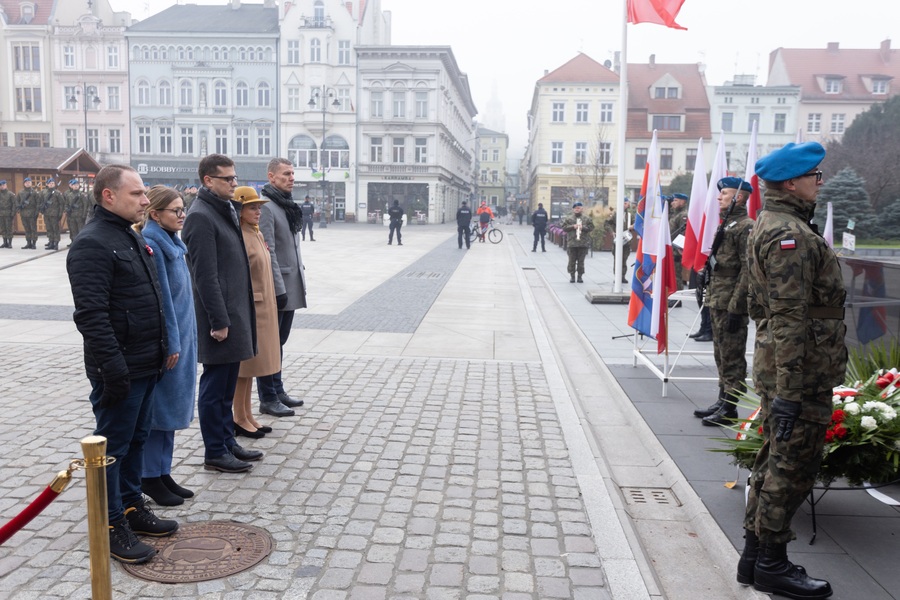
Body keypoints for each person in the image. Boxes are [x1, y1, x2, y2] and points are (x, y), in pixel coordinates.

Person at [736, 142, 844, 599]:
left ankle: (753, 556)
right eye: (813, 176)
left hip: (784, 367)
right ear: (790, 183)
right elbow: (789, 315)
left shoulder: (776, 223)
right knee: (792, 467)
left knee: (772, 460)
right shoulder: (790, 236)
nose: (818, 182)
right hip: (798, 372)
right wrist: (791, 390)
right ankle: (773, 565)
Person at [66, 164, 177, 564]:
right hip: (120, 369)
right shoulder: (93, 244)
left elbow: (151, 299)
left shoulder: (129, 238)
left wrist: (163, 348)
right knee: (110, 449)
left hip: (147, 364)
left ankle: (132, 507)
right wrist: (113, 370)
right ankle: (110, 524)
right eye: (137, 194)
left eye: (145, 193)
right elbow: (91, 315)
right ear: (109, 196)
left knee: (136, 441)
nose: (146, 201)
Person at [182, 154, 262, 474]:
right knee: (214, 387)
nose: (234, 183)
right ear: (208, 181)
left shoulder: (224, 208)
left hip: (234, 312)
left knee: (228, 385)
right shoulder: (200, 216)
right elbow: (204, 276)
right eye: (227, 179)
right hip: (220, 318)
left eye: (234, 177)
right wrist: (218, 321)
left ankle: (227, 440)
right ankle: (214, 450)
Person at [134, 186, 197, 507]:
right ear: (155, 214)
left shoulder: (172, 241)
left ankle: (163, 471)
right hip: (170, 343)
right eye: (176, 210)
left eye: (183, 208)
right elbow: (162, 303)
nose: (182, 214)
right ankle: (148, 476)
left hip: (184, 338)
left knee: (172, 411)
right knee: (159, 413)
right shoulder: (153, 246)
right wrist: (171, 342)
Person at [695, 177, 753, 427]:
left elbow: (748, 270)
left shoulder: (745, 227)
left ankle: (730, 408)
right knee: (721, 352)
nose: (719, 197)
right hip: (719, 298)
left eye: (725, 193)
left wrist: (736, 306)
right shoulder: (729, 224)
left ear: (739, 198)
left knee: (732, 355)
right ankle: (722, 399)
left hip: (731, 302)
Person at [258, 158, 308, 416]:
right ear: (271, 177)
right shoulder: (267, 207)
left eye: (292, 173)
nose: (291, 178)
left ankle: (277, 389)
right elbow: (269, 251)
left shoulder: (286, 206)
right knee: (270, 343)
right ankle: (267, 397)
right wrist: (278, 289)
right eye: (286, 174)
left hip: (291, 282)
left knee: (280, 341)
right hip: (278, 287)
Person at [233, 186, 283, 438]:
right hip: (253, 307)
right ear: (239, 210)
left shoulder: (254, 232)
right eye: (252, 207)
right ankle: (239, 417)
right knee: (245, 367)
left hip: (265, 307)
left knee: (253, 367)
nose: (258, 211)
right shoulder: (239, 234)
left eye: (259, 207)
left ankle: (247, 413)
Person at [561, 201, 594, 283]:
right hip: (572, 243)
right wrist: (573, 226)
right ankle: (572, 276)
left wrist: (583, 227)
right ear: (573, 209)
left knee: (581, 262)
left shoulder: (587, 219)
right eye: (575, 208)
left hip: (583, 243)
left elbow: (591, 228)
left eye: (578, 208)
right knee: (571, 261)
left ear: (582, 209)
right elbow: (564, 228)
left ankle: (580, 276)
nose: (577, 209)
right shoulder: (569, 219)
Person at [607, 200, 634, 283]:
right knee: (617, 259)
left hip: (626, 241)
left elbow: (637, 223)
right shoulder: (616, 214)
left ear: (628, 204)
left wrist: (633, 226)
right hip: (617, 240)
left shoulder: (630, 215)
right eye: (622, 202)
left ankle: (622, 276)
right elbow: (607, 223)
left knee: (624, 259)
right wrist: (612, 231)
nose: (624, 205)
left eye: (626, 203)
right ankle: (617, 276)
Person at [668, 193, 689, 289]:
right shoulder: (675, 214)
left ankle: (677, 297)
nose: (673, 203)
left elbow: (683, 234)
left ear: (682, 202)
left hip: (676, 251)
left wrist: (678, 251)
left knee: (676, 276)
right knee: (671, 276)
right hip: (670, 249)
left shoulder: (683, 215)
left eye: (676, 200)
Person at [40, 179, 65, 250]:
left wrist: (60, 213)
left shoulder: (57, 193)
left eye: (53, 183)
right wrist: (42, 209)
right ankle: (51, 242)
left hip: (54, 214)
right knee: (49, 228)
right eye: (50, 183)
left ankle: (56, 243)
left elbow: (61, 204)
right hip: (46, 213)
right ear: (47, 184)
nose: (51, 184)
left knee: (55, 229)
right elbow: (41, 201)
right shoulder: (43, 192)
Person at [16, 177, 39, 249]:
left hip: (32, 213)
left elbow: (38, 203)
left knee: (33, 228)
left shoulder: (34, 192)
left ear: (31, 183)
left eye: (29, 182)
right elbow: (17, 201)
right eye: (26, 182)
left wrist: (36, 212)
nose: (28, 183)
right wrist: (19, 209)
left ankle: (34, 243)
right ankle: (28, 242)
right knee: (26, 228)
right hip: (24, 213)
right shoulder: (20, 192)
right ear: (24, 184)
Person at [65, 179, 89, 246]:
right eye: (74, 185)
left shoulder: (81, 195)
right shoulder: (69, 195)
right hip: (71, 215)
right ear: (71, 186)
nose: (75, 186)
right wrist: (67, 209)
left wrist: (84, 215)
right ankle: (74, 242)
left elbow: (85, 205)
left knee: (80, 230)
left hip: (79, 215)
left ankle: (82, 243)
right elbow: (66, 204)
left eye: (77, 185)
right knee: (73, 230)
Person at [0, 180, 14, 248]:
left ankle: (10, 243)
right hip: (1, 214)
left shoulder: (10, 194)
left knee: (9, 228)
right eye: (1, 185)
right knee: (3, 228)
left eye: (3, 185)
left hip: (8, 213)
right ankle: (4, 242)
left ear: (6, 185)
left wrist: (13, 213)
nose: (2, 186)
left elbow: (14, 204)